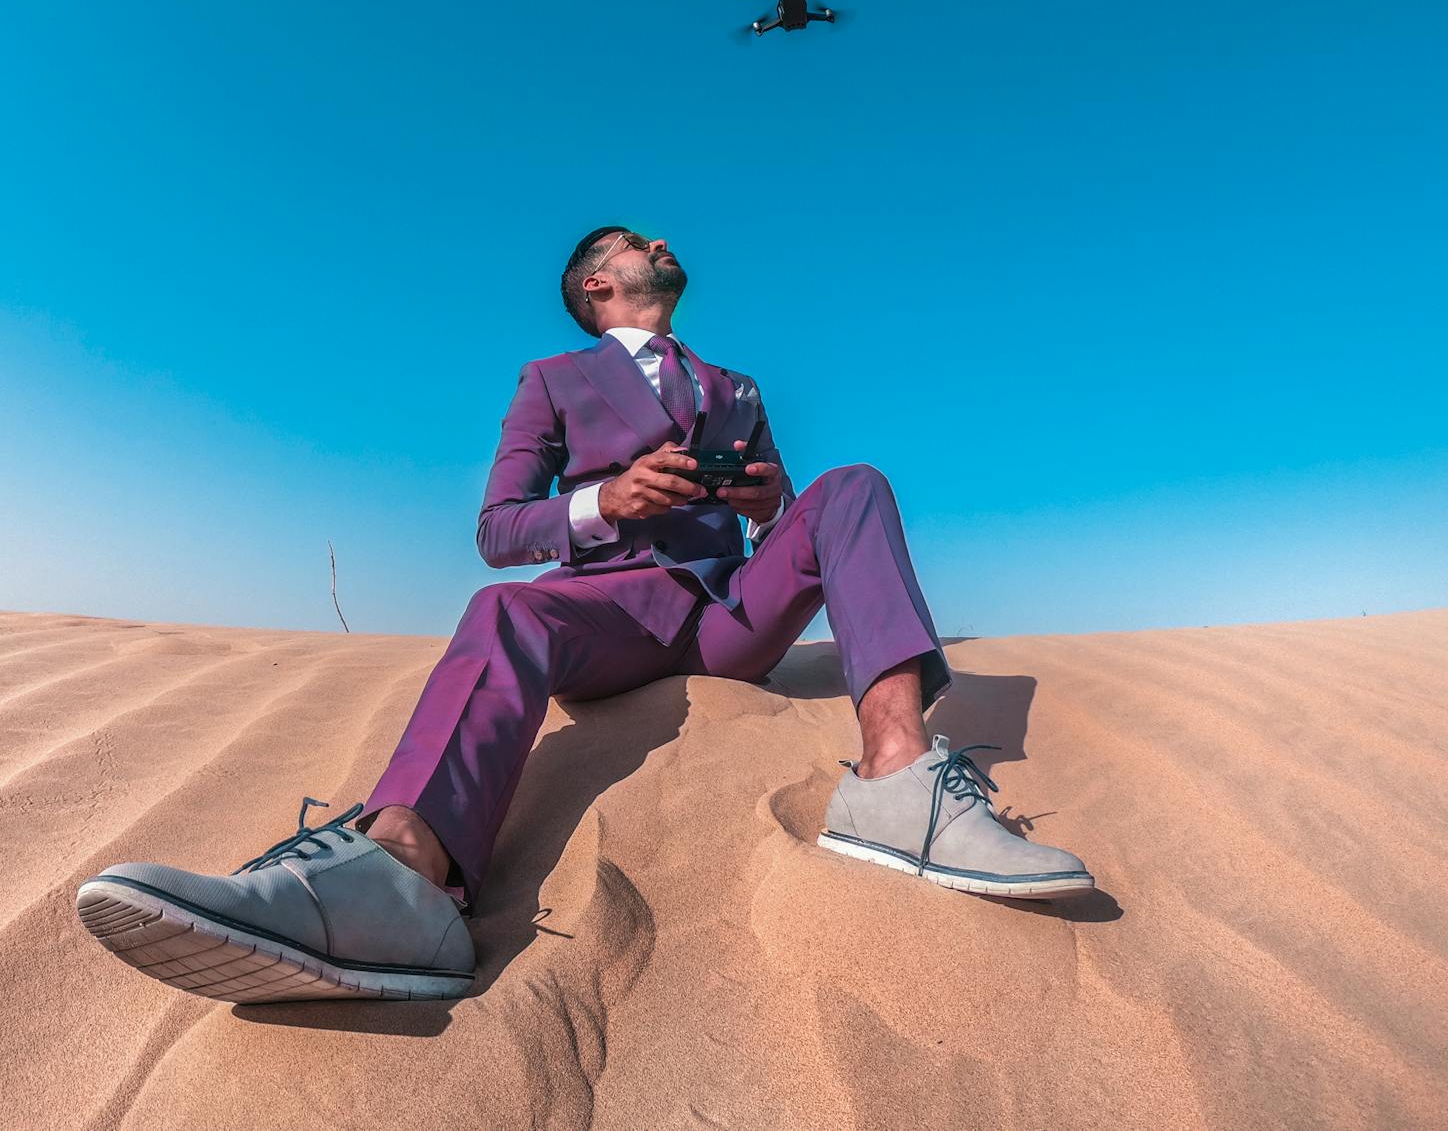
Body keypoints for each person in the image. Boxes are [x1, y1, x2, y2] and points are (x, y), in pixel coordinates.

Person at [75, 227, 1093, 1004]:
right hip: (610, 611)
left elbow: (783, 512)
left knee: (855, 483)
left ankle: (898, 781)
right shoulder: (553, 381)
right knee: (501, 609)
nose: (661, 243)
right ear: (597, 285)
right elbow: (498, 528)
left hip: (731, 612)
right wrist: (608, 499)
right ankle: (404, 871)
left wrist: (765, 502)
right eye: (635, 242)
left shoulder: (737, 387)